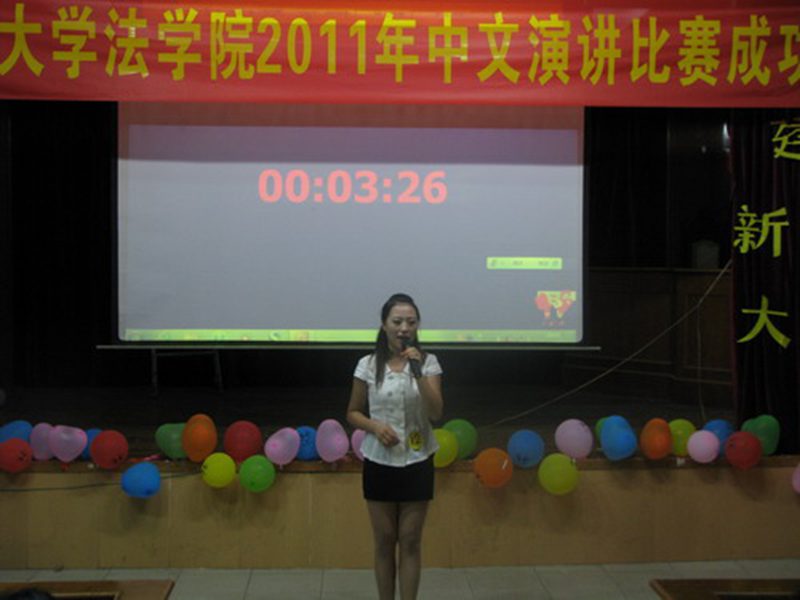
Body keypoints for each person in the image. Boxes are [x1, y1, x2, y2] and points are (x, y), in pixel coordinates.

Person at [346, 293, 444, 600]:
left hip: (418, 460)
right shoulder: (367, 365)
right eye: (397, 321)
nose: (404, 328)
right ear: (384, 324)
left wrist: (418, 373)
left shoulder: (428, 363)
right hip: (379, 461)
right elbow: (352, 413)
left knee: (411, 540)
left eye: (411, 322)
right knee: (385, 540)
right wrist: (375, 426)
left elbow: (436, 413)